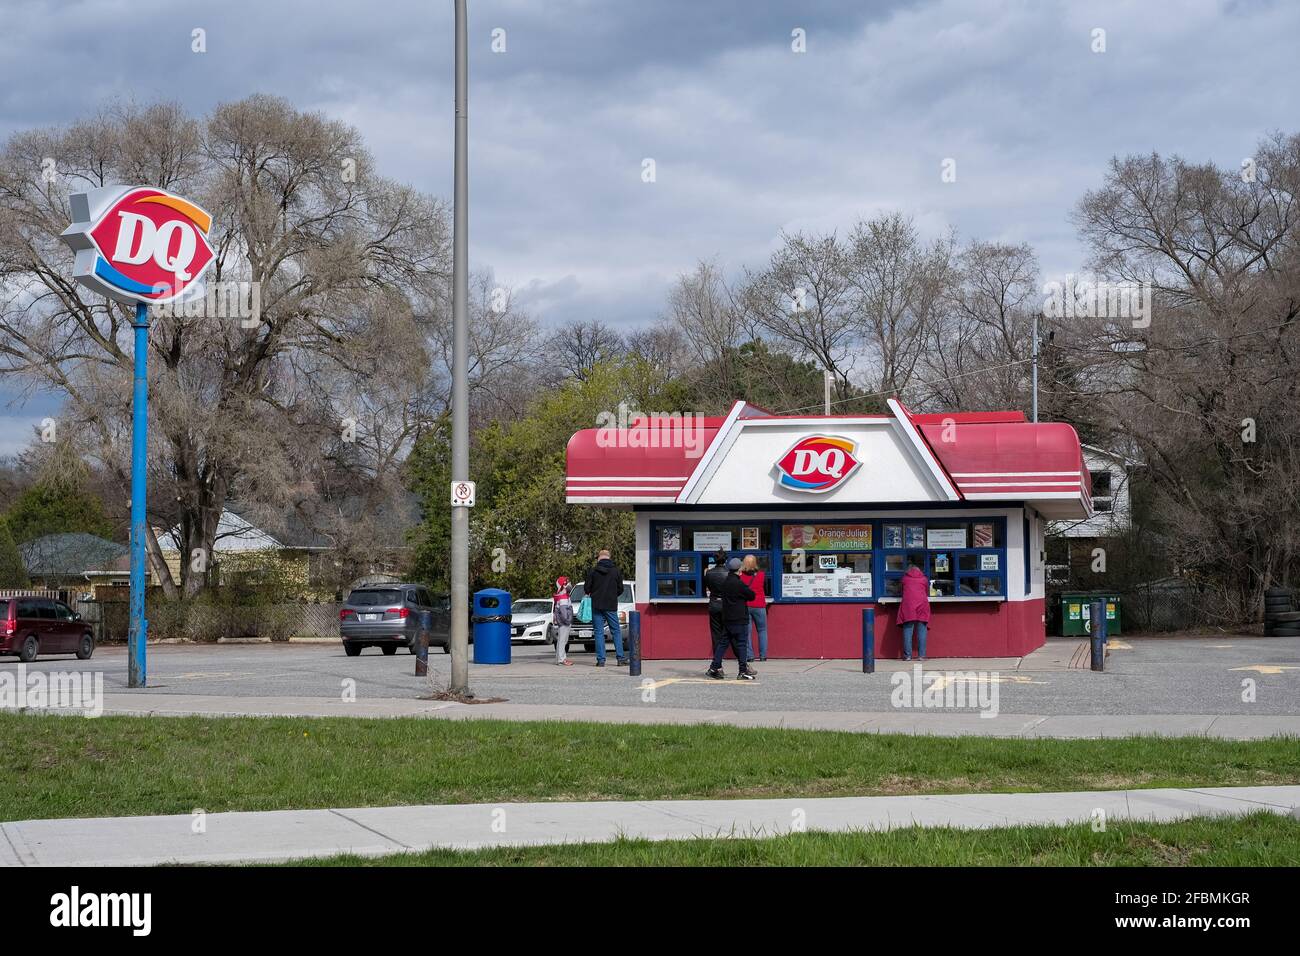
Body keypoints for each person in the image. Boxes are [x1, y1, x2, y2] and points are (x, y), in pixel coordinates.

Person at [708, 557, 757, 681]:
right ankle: (742, 671)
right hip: (739, 618)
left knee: (723, 643)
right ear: (739, 569)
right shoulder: (739, 583)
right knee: (741, 644)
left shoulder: (725, 583)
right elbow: (751, 596)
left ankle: (714, 667)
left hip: (727, 618)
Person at [584, 549, 627, 667]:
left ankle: (601, 660)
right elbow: (621, 588)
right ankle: (620, 658)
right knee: (616, 631)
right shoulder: (616, 571)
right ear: (609, 557)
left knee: (598, 632)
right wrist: (612, 595)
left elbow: (587, 589)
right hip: (611, 605)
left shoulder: (593, 571)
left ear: (599, 558)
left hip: (596, 605)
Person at [739, 555, 768, 661]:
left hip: (746, 605)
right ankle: (763, 655)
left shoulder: (740, 576)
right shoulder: (761, 575)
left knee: (747, 632)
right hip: (759, 605)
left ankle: (750, 656)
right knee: (762, 630)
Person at [899, 562, 931, 661]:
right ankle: (921, 656)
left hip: (908, 607)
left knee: (908, 631)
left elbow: (901, 591)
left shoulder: (905, 579)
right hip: (922, 606)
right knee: (922, 631)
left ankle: (908, 656)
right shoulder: (924, 579)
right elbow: (927, 591)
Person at [701, 548, 730, 657]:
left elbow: (707, 586)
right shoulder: (729, 573)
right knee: (732, 632)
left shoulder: (708, 573)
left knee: (716, 634)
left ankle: (717, 662)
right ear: (725, 559)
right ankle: (742, 663)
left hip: (714, 604)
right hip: (727, 605)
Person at [552, 576, 574, 666]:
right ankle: (562, 659)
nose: (569, 584)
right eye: (567, 582)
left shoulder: (561, 596)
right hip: (565, 623)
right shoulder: (564, 598)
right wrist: (568, 621)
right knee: (563, 641)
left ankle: (559, 658)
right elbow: (564, 612)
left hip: (562, 622)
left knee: (561, 640)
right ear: (563, 585)